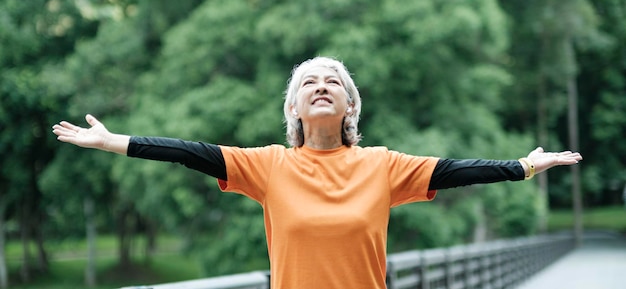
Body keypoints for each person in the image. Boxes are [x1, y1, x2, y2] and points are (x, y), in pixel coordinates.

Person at [52, 56, 582, 289]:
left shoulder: (382, 165)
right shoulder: (268, 165)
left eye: (333, 81)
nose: (322, 84)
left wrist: (523, 166)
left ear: (350, 106)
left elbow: (459, 170)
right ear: (295, 111)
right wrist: (113, 142)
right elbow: (189, 152)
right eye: (310, 82)